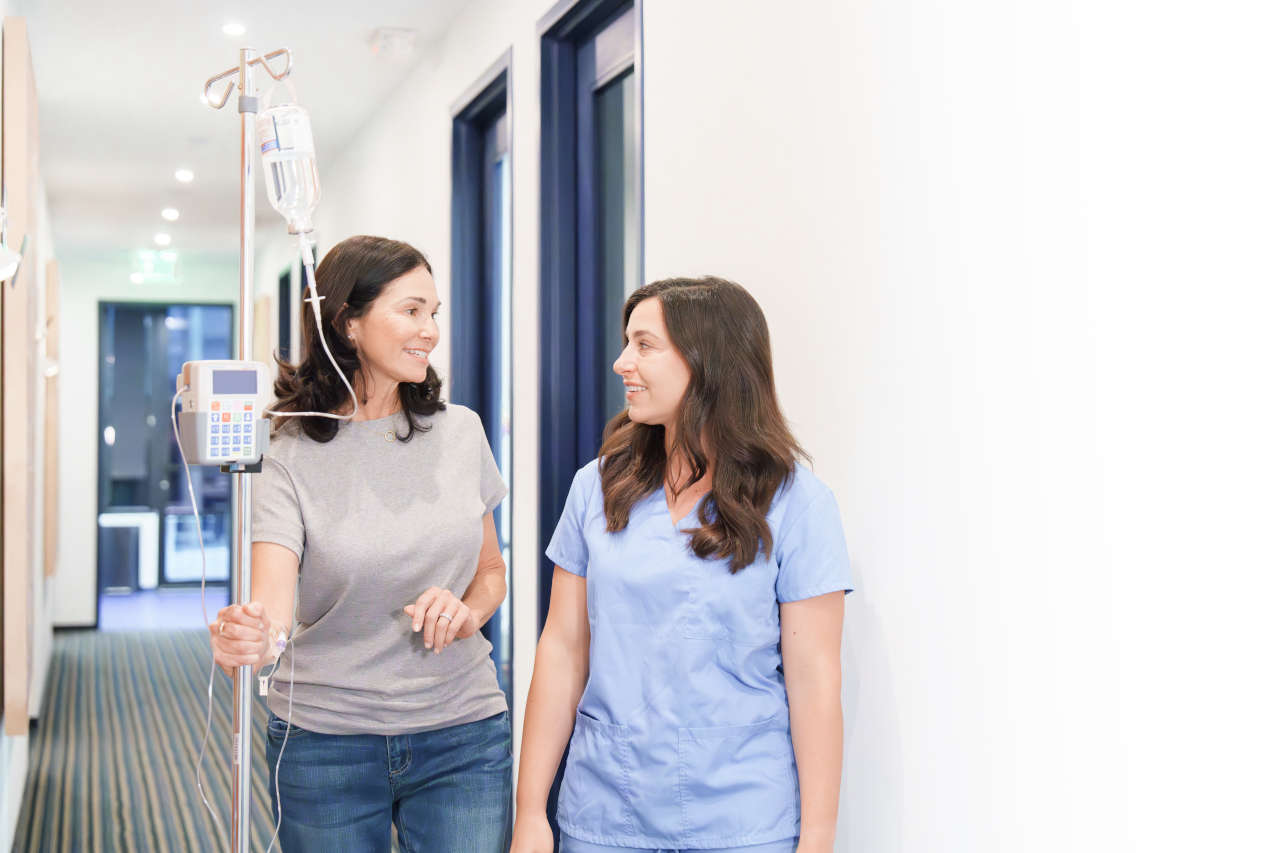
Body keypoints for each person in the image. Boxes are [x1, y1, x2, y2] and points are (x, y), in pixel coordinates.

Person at [512, 276, 853, 853]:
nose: (622, 362)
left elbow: (814, 680)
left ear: (708, 363)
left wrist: (818, 839)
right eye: (626, 343)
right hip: (606, 814)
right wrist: (530, 814)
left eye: (644, 345)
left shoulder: (799, 503)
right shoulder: (595, 489)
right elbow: (563, 649)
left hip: (744, 820)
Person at [209, 235, 512, 852]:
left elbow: (490, 572)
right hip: (327, 740)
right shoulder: (288, 451)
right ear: (348, 322)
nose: (429, 330)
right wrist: (249, 634)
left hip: (463, 733)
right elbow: (271, 609)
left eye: (434, 313)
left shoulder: (461, 432)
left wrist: (468, 612)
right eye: (410, 311)